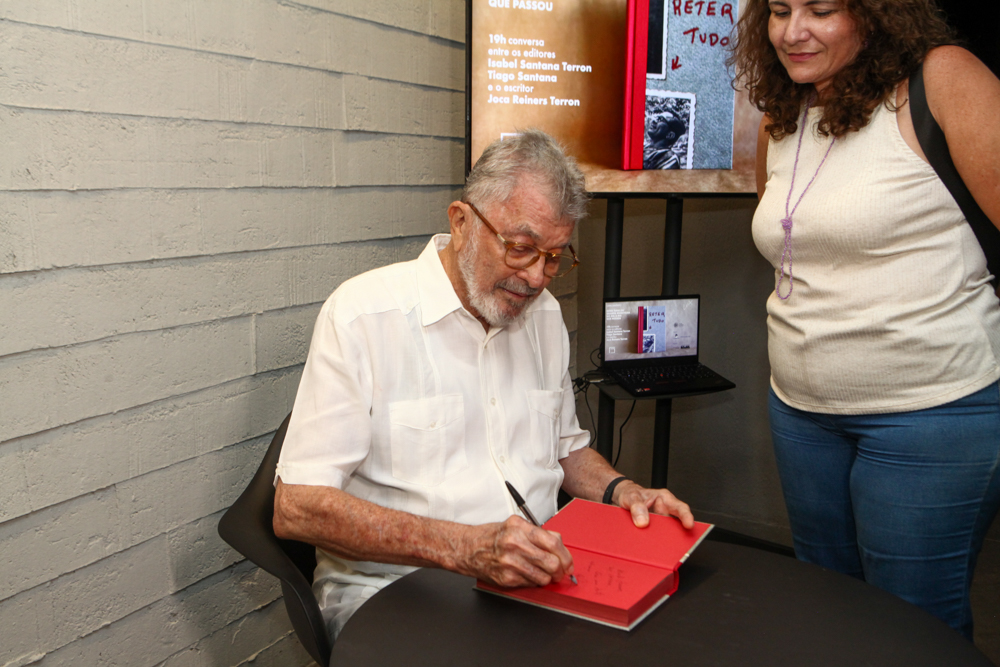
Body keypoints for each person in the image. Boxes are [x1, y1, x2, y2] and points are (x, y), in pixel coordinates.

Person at [272, 129, 695, 641]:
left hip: (534, 581)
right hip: (397, 590)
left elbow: (565, 450)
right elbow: (297, 507)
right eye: (521, 248)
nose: (538, 277)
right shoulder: (364, 315)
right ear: (461, 221)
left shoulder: (543, 317)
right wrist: (463, 547)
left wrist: (624, 491)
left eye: (556, 256)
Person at [731, 0, 1000, 640]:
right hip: (800, 412)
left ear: (877, 16)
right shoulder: (784, 114)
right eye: (778, 11)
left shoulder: (942, 80)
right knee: (828, 611)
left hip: (933, 415)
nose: (793, 31)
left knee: (912, 631)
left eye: (821, 10)